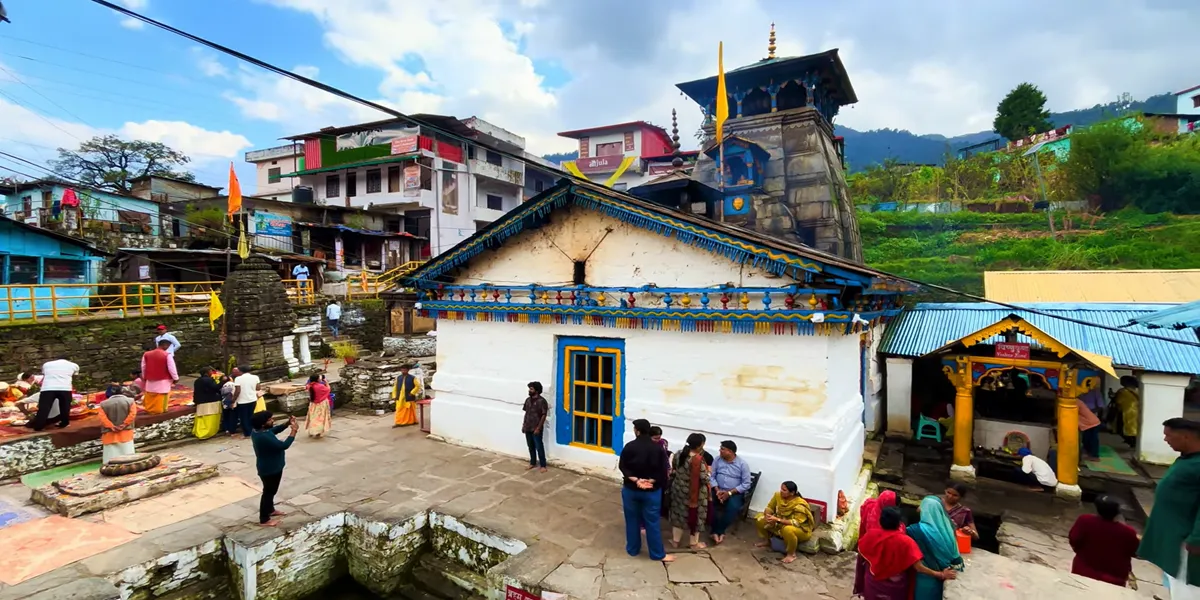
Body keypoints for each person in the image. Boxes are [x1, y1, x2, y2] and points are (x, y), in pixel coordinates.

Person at [1138, 418, 1200, 598]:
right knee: (1174, 581)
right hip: (1172, 536)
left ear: (1186, 436)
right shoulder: (1188, 459)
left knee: (1187, 587)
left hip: (1187, 540)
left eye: (1169, 435)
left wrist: (1197, 539)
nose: (1165, 440)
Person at [859, 506, 956, 600]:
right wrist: (940, 574)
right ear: (898, 523)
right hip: (895, 588)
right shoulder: (906, 542)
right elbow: (919, 568)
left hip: (873, 583)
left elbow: (862, 556)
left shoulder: (870, 535)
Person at [618, 418, 675, 564]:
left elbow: (623, 467)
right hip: (651, 491)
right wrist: (650, 481)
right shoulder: (657, 449)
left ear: (637, 431)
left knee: (632, 520)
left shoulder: (629, 446)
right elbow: (663, 471)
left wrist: (637, 480)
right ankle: (657, 554)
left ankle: (633, 549)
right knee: (652, 522)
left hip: (631, 489)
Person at [1068, 495, 1139, 587]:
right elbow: (1135, 551)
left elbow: (1073, 540)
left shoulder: (1084, 521)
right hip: (1114, 580)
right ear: (1118, 512)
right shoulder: (1128, 532)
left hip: (1082, 572)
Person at [907, 495, 965, 600]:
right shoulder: (949, 529)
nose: (919, 508)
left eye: (922, 506)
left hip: (925, 577)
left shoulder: (915, 531)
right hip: (946, 573)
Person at [250, 411, 298, 527]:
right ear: (263, 424)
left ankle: (270, 510)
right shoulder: (263, 437)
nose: (272, 421)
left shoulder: (259, 431)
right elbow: (283, 446)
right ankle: (264, 519)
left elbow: (273, 430)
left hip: (272, 466)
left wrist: (287, 423)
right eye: (270, 420)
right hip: (270, 469)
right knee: (268, 492)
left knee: (271, 491)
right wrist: (293, 431)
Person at [854, 490, 902, 596]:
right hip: (880, 557)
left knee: (868, 575)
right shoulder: (889, 525)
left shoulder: (869, 505)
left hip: (867, 551)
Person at [754, 481, 815, 564]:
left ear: (792, 493)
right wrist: (768, 516)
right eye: (781, 489)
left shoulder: (800, 504)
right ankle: (767, 541)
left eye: (784, 490)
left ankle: (791, 554)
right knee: (760, 519)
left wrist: (777, 520)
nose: (781, 491)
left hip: (800, 529)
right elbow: (770, 507)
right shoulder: (777, 495)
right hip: (780, 523)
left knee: (788, 530)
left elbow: (796, 522)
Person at [669, 433, 710, 549]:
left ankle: (675, 541)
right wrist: (709, 474)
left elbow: (675, 468)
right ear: (700, 445)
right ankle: (694, 543)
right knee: (696, 516)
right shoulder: (697, 460)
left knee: (678, 514)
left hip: (678, 489)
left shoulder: (679, 454)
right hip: (695, 493)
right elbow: (704, 478)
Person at [709, 440, 752, 545]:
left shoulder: (742, 464)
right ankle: (716, 531)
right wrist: (717, 490)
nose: (720, 450)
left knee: (733, 507)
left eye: (722, 449)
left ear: (730, 452)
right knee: (709, 503)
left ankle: (719, 530)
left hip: (734, 493)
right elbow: (711, 476)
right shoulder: (717, 460)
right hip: (717, 489)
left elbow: (746, 484)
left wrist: (729, 493)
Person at [29, 355, 78, 431]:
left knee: (44, 408)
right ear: (69, 360)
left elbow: (46, 374)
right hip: (65, 388)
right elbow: (74, 376)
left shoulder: (46, 364)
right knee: (65, 407)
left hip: (47, 388)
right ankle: (64, 423)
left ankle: (38, 426)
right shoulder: (74, 365)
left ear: (56, 359)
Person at [97, 387, 137, 464]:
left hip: (110, 434)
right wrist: (124, 424)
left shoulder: (103, 404)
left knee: (111, 455)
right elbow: (132, 415)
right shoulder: (130, 401)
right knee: (127, 452)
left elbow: (102, 418)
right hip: (126, 432)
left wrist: (111, 426)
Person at [140, 340, 178, 415]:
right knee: (162, 395)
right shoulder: (167, 355)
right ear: (165, 345)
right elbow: (172, 368)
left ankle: (149, 409)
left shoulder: (146, 354)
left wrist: (144, 377)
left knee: (150, 394)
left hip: (150, 379)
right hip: (163, 380)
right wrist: (175, 378)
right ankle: (160, 410)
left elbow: (143, 367)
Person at [521, 381, 548, 471]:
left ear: (537, 390)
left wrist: (538, 428)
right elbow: (526, 413)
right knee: (530, 446)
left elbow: (543, 415)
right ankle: (532, 462)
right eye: (529, 389)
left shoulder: (542, 401)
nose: (529, 390)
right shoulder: (528, 400)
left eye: (531, 389)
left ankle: (543, 465)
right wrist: (524, 425)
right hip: (528, 427)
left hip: (536, 428)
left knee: (539, 446)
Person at [192, 367, 223, 440]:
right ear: (206, 373)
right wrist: (222, 382)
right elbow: (215, 388)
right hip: (211, 401)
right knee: (211, 418)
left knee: (201, 418)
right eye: (210, 371)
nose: (212, 373)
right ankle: (208, 433)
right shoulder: (209, 380)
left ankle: (198, 431)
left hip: (200, 401)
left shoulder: (197, 381)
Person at [233, 366, 262, 437]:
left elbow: (238, 391)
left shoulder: (238, 379)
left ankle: (247, 433)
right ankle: (252, 430)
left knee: (243, 418)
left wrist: (233, 399)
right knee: (250, 415)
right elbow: (258, 388)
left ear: (240, 371)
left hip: (242, 401)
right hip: (252, 399)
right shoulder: (255, 377)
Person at [1113, 376, 1140, 449]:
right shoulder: (1137, 391)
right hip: (1136, 412)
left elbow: (1118, 401)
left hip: (1125, 412)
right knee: (1134, 429)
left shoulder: (1122, 391)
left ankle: (1131, 442)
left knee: (1121, 429)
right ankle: (1133, 442)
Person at [304, 373, 332, 438]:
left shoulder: (309, 386)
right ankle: (318, 432)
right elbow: (328, 389)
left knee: (313, 417)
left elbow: (307, 386)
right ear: (317, 379)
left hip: (313, 404)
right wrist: (326, 382)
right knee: (320, 418)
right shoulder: (320, 386)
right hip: (321, 404)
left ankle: (311, 431)